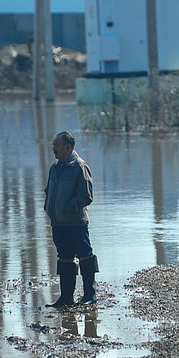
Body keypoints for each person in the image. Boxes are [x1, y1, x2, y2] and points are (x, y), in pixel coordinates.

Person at [44, 131, 98, 307]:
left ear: (67, 147)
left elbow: (86, 196)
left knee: (85, 256)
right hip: (58, 223)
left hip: (76, 223)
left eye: (56, 145)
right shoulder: (54, 168)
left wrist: (67, 208)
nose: (53, 148)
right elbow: (48, 191)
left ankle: (90, 295)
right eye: (53, 145)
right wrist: (49, 208)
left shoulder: (79, 167)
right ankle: (66, 297)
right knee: (64, 258)